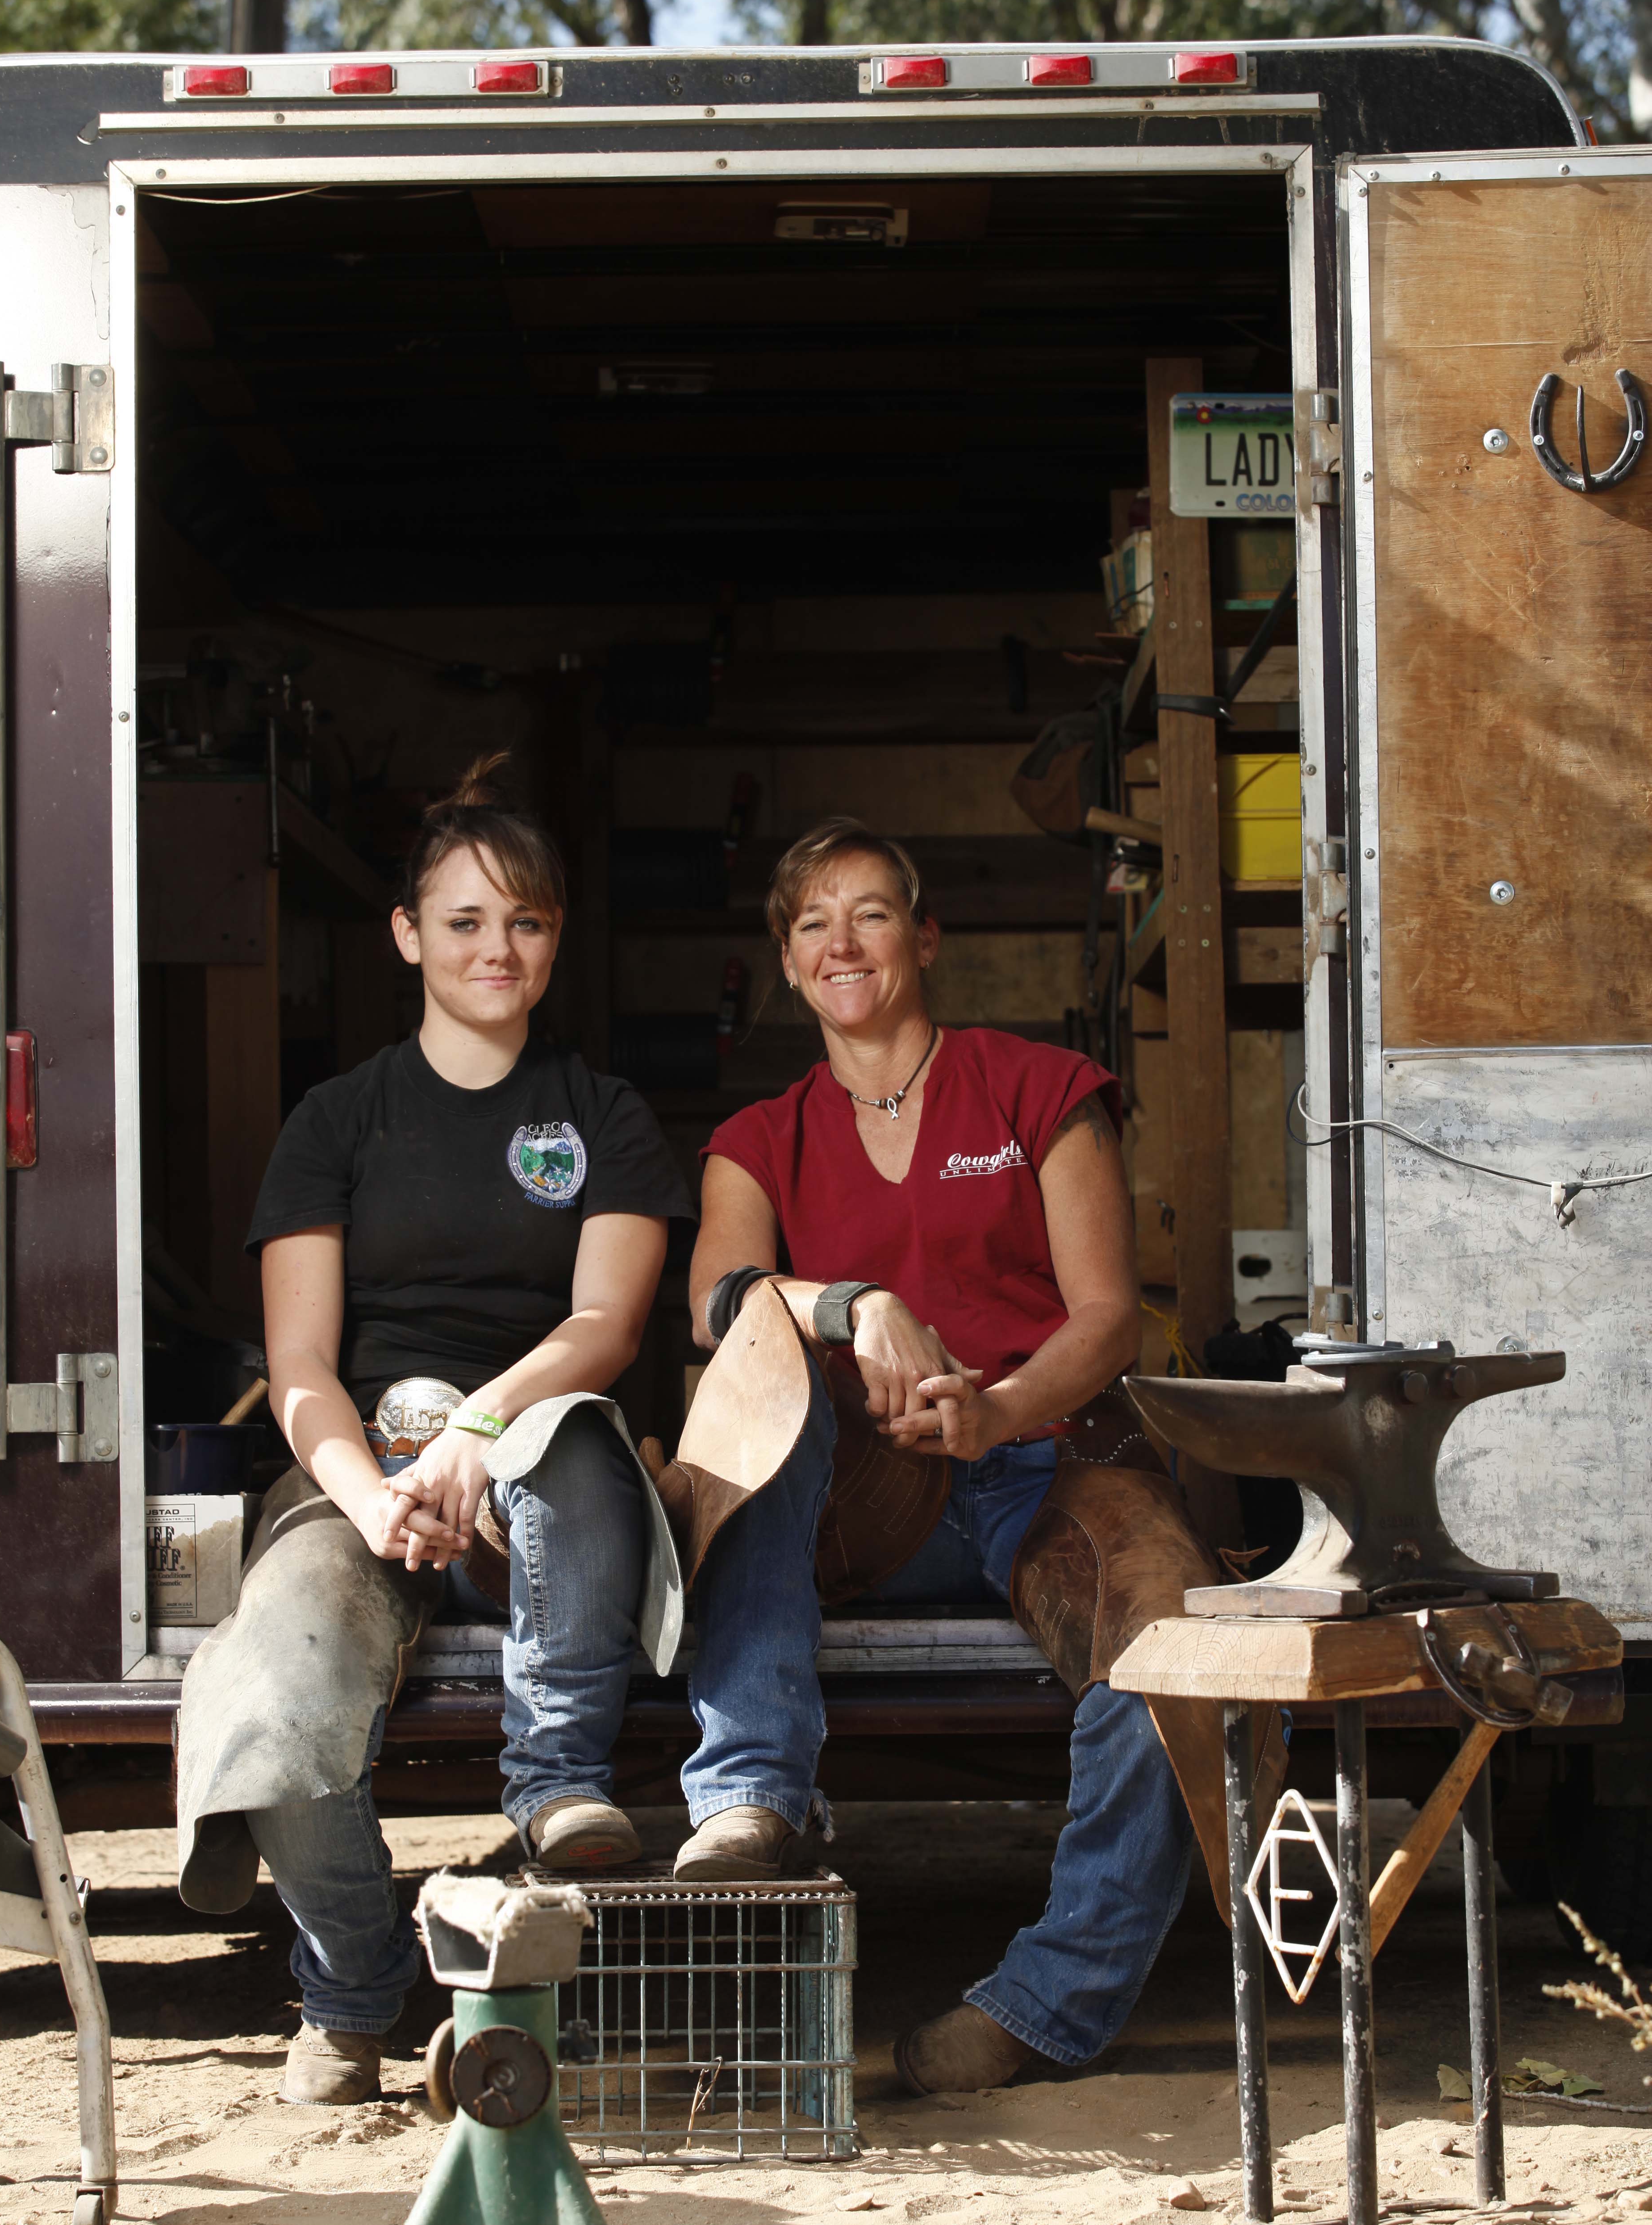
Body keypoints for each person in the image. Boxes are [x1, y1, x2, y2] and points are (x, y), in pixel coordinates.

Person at [177, 756, 691, 2107]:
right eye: (463, 921)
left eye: (523, 921)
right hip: (360, 1469)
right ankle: (353, 1982)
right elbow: (297, 1363)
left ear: (555, 938)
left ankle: (552, 1788)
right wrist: (362, 1495)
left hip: (534, 1441)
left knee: (581, 1439)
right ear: (408, 935)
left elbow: (606, 1329)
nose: (495, 949)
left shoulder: (603, 1116)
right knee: (275, 1696)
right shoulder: (338, 1120)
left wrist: (480, 1425)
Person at [680, 815, 1199, 2096]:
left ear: (924, 936)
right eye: (811, 922)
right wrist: (851, 1305)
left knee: (1178, 1633)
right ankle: (747, 1792)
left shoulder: (1038, 1087)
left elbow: (1106, 1316)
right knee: (769, 1349)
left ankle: (1049, 2000)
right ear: (789, 963)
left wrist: (1000, 1409)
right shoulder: (758, 1137)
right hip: (849, 1498)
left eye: (868, 911)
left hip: (1032, 1463)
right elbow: (717, 1297)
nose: (841, 941)